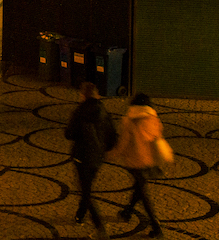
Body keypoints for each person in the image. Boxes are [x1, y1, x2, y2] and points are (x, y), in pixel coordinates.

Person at [65, 82, 118, 240]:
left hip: (82, 157)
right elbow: (113, 136)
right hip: (97, 158)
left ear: (83, 95)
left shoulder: (80, 112)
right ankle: (80, 214)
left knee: (86, 192)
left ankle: (100, 227)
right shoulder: (103, 111)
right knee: (86, 188)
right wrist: (106, 149)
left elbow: (69, 134)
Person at [109, 92, 165, 237]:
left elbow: (123, 142)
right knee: (139, 188)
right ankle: (127, 211)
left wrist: (112, 154)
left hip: (135, 161)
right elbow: (157, 136)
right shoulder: (153, 118)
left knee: (143, 194)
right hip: (150, 160)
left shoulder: (129, 121)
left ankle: (156, 225)